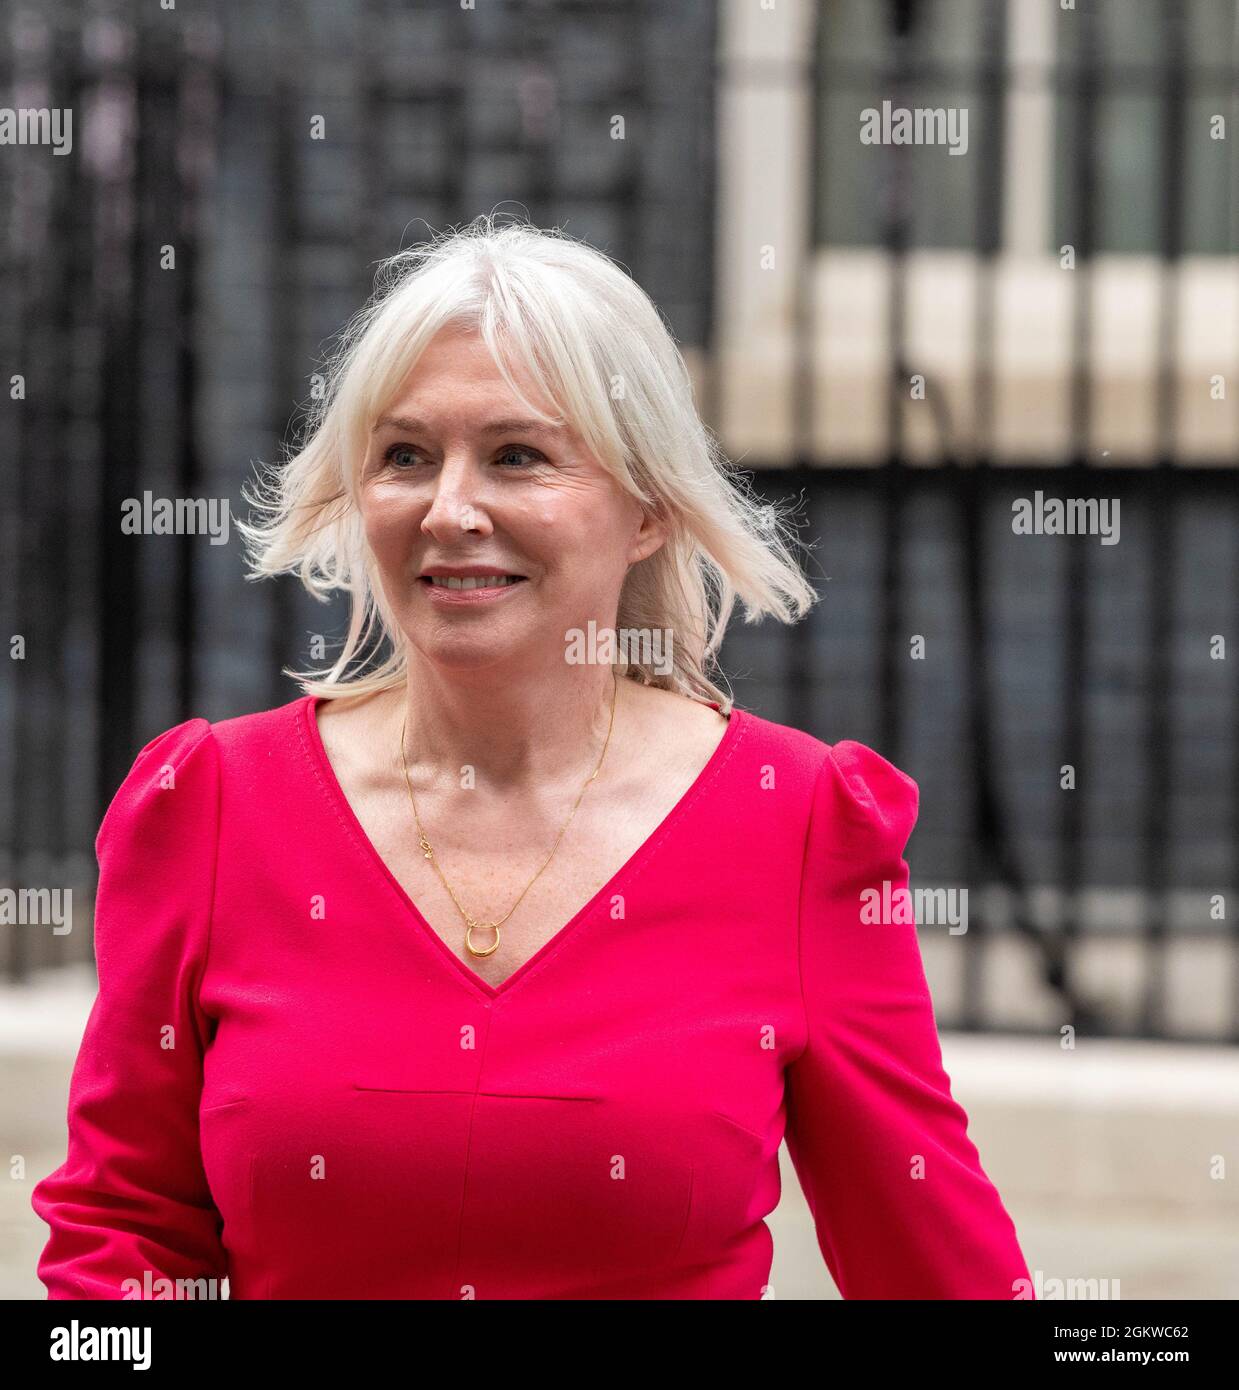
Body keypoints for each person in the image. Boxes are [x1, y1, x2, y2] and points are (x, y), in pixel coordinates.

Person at [32, 214, 1032, 1299]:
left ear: (647, 510)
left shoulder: (796, 823)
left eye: (518, 456)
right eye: (406, 455)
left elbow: (938, 1266)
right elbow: (122, 1235)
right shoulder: (212, 804)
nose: (451, 509)